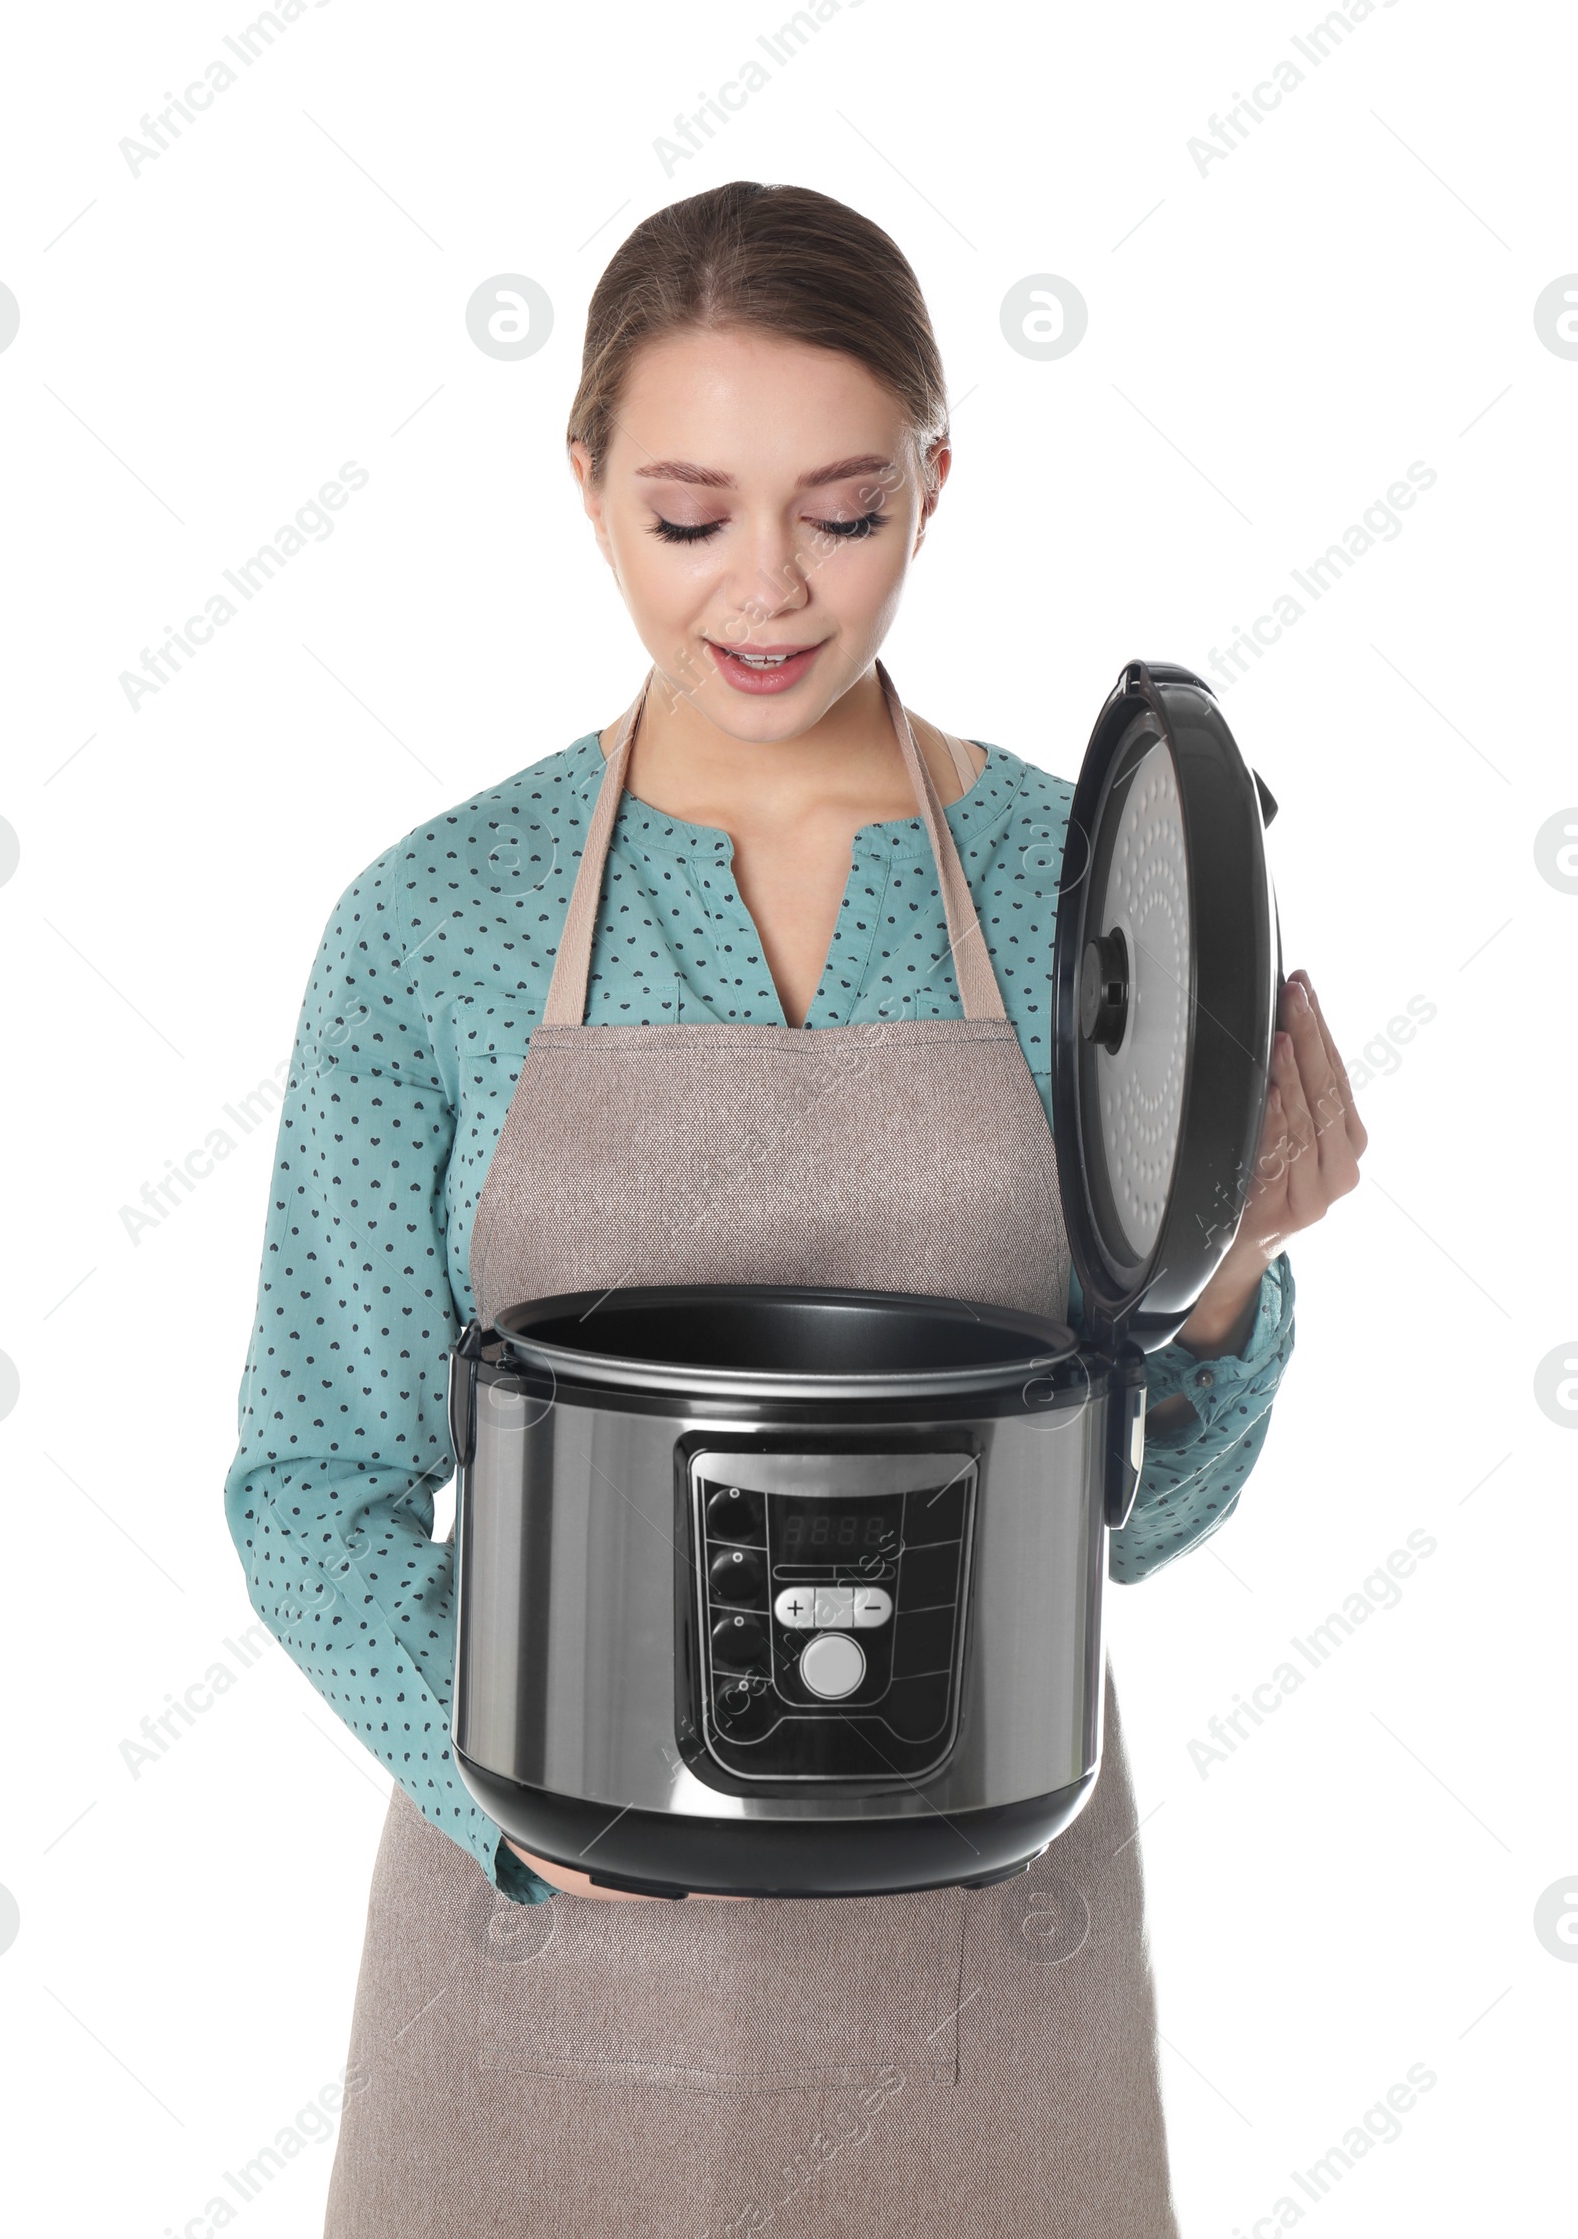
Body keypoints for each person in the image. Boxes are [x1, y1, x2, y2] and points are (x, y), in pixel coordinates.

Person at [223, 180, 1364, 2238]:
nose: (765, 588)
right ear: (580, 485)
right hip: (546, 1974)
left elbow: (1125, 1518)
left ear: (935, 482)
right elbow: (310, 1483)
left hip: (979, 1967)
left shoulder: (1076, 889)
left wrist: (1234, 1271)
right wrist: (527, 1815)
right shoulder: (435, 925)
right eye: (686, 515)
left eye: (840, 512)